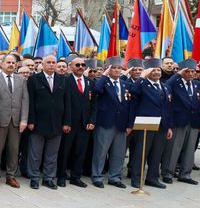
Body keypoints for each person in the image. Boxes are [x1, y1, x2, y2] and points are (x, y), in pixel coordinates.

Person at [26, 55, 71, 190]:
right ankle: (34, 178)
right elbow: (30, 102)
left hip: (57, 123)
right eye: (48, 62)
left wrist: (67, 122)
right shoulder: (34, 79)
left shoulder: (63, 80)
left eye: (53, 62)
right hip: (38, 122)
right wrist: (31, 120)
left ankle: (48, 178)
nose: (51, 65)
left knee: (52, 154)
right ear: (43, 65)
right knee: (35, 153)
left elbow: (67, 102)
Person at [128, 59, 173, 189]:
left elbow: (168, 108)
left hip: (161, 125)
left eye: (158, 70)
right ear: (147, 72)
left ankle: (152, 178)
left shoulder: (165, 87)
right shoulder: (142, 84)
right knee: (141, 152)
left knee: (157, 153)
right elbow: (133, 91)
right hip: (145, 124)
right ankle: (136, 178)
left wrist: (169, 127)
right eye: (153, 70)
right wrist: (142, 76)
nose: (156, 72)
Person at [0, 54, 28, 188]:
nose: (11, 65)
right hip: (0, 120)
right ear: (2, 64)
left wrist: (24, 119)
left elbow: (25, 100)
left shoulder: (21, 80)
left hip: (16, 121)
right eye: (8, 62)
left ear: (16, 65)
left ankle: (11, 176)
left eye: (13, 63)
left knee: (14, 150)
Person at [90, 57, 132, 188]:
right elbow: (96, 90)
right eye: (113, 68)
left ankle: (115, 177)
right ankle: (97, 176)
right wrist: (104, 75)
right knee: (100, 152)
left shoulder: (125, 84)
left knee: (119, 153)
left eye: (119, 68)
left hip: (121, 124)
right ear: (108, 69)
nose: (117, 70)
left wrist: (129, 124)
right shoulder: (103, 82)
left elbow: (129, 105)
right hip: (105, 122)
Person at [163, 59, 200, 185]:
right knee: (174, 149)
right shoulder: (175, 83)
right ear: (182, 72)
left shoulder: (198, 85)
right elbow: (166, 87)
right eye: (187, 71)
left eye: (193, 71)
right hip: (178, 122)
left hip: (194, 122)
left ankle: (185, 174)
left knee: (190, 150)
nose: (191, 74)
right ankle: (168, 173)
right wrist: (178, 75)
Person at [58, 56, 94, 187]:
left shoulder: (89, 82)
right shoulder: (65, 81)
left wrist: (91, 120)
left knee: (80, 151)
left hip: (84, 124)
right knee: (65, 151)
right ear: (70, 67)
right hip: (69, 123)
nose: (80, 67)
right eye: (77, 65)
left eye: (83, 65)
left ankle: (76, 177)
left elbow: (94, 103)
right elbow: (64, 103)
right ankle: (61, 176)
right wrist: (66, 122)